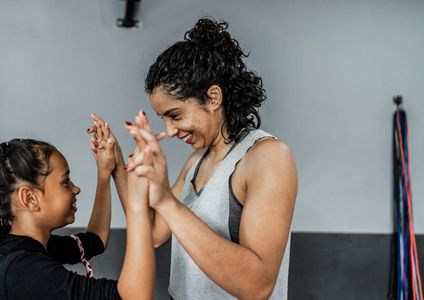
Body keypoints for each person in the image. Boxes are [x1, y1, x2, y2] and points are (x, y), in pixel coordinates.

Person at [90, 17, 297, 299]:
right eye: (163, 119)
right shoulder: (197, 161)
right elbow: (152, 232)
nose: (170, 130)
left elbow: (257, 286)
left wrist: (165, 200)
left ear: (213, 97)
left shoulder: (267, 156)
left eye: (175, 115)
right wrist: (116, 166)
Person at [0, 138, 155, 300]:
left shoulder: (21, 246)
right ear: (29, 198)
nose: (76, 189)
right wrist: (136, 205)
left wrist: (106, 172)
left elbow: (96, 240)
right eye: (65, 182)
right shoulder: (23, 270)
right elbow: (133, 296)